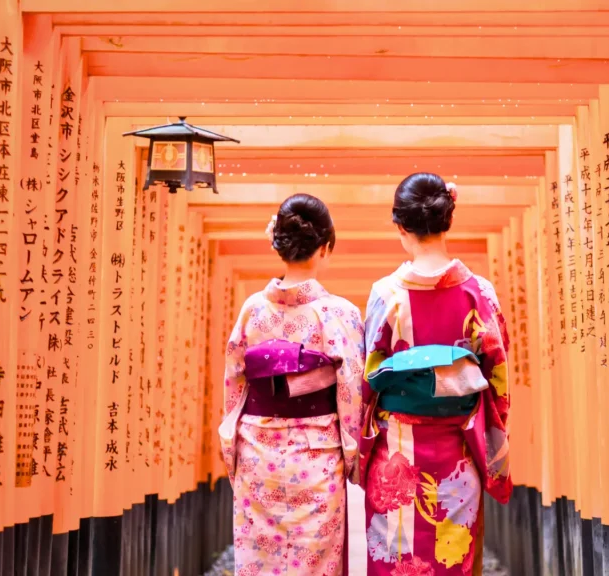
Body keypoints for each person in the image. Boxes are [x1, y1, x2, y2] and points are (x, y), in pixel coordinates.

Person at [360, 173, 512, 576]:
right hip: (456, 456)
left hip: (396, 455)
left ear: (400, 227)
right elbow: (498, 383)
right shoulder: (479, 293)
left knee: (396, 562)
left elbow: (367, 380)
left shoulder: (385, 295)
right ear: (449, 218)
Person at [219, 194, 365, 576]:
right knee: (315, 561)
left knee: (259, 561)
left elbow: (235, 381)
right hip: (316, 455)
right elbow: (350, 391)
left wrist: (232, 446)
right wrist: (354, 459)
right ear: (326, 247)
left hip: (256, 452)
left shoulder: (252, 309)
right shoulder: (340, 314)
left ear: (277, 244)